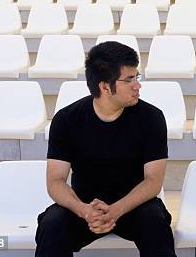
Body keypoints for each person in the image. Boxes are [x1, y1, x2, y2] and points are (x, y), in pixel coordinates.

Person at [35, 41, 176, 257]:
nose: (137, 85)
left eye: (137, 77)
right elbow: (55, 181)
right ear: (104, 86)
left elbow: (153, 181)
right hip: (85, 207)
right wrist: (84, 210)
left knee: (155, 222)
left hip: (133, 206)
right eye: (129, 79)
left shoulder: (151, 117)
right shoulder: (67, 119)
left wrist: (116, 210)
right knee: (52, 224)